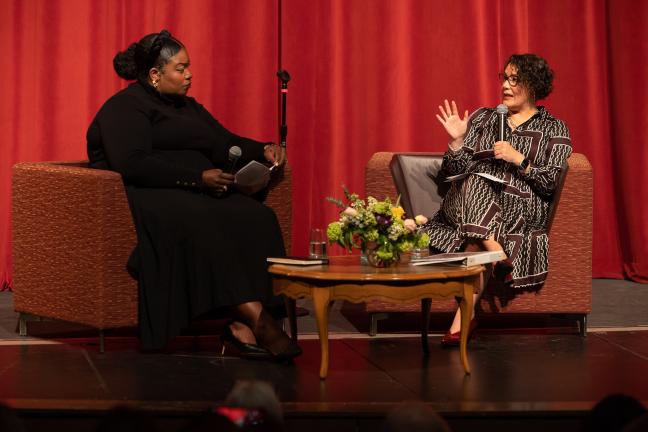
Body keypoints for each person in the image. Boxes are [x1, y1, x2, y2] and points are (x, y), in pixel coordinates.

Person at [86, 29, 301, 361]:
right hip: (150, 194)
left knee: (258, 217)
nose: (189, 75)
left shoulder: (188, 107)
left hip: (200, 189)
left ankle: (240, 327)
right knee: (203, 220)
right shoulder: (124, 108)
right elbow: (132, 163)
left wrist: (264, 148)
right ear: (155, 74)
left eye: (188, 67)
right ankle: (261, 322)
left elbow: (224, 142)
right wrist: (196, 179)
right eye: (181, 68)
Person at [420, 53, 572, 346]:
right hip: (465, 201)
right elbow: (452, 172)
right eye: (504, 77)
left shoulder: (554, 128)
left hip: (519, 207)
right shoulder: (483, 118)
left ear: (534, 84)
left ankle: (466, 312)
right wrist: (456, 142)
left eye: (515, 79)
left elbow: (552, 182)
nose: (506, 85)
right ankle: (496, 252)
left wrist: (520, 160)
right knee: (475, 178)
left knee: (477, 230)